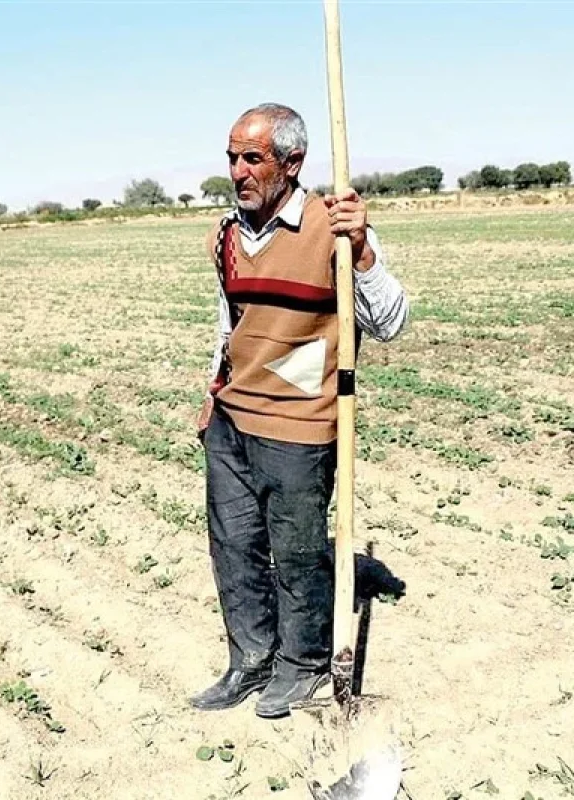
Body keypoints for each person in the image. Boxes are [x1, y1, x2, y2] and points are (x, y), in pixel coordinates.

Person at [190, 103, 409, 719]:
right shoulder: (225, 236)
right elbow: (228, 325)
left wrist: (361, 252)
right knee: (233, 544)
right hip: (232, 420)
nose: (237, 170)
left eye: (252, 158)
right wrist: (212, 394)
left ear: (292, 162)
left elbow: (391, 322)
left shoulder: (334, 229)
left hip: (300, 423)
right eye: (232, 157)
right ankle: (250, 659)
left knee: (298, 550)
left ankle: (302, 662)